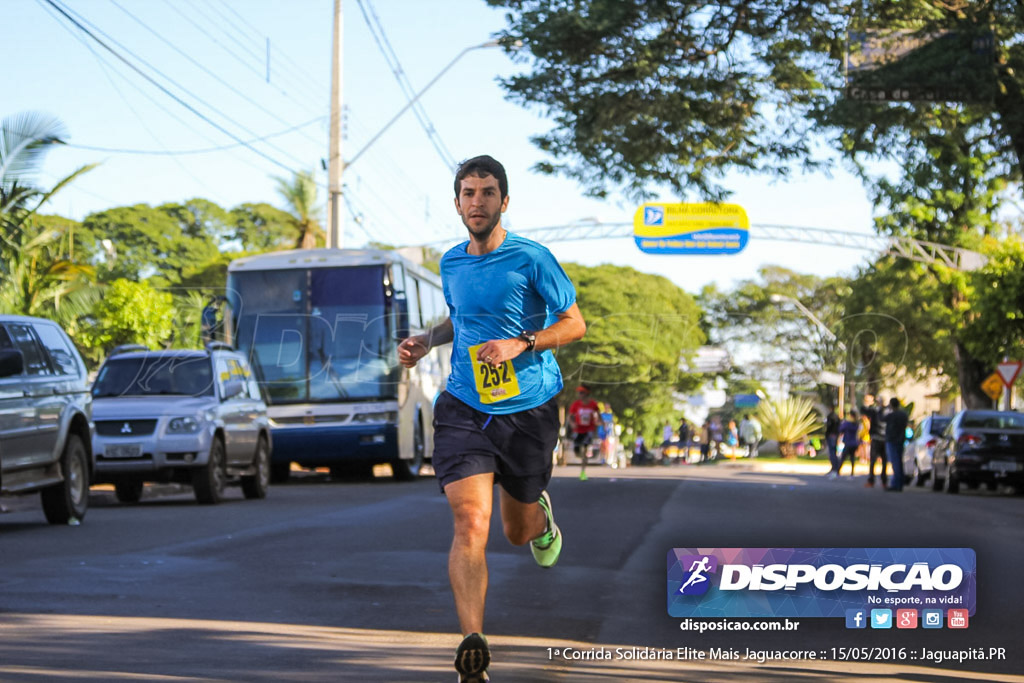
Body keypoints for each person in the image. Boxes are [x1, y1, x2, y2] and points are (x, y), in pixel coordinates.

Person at [398, 155, 587, 683]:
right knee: (469, 522)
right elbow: (460, 321)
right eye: (467, 192)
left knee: (514, 531)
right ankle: (472, 647)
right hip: (464, 404)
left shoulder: (532, 258)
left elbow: (574, 324)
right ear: (457, 202)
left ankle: (539, 515)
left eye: (486, 193)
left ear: (504, 201)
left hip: (528, 408)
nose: (476, 202)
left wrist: (522, 343)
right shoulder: (452, 262)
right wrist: (425, 339)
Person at [569, 386, 601, 481]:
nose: (580, 394)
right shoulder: (576, 404)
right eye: (579, 392)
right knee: (577, 451)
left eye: (582, 392)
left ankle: (583, 471)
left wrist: (600, 423)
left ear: (586, 393)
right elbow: (569, 416)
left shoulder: (593, 404)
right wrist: (572, 424)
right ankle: (581, 455)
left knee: (585, 450)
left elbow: (599, 416)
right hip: (578, 430)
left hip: (588, 430)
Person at [862, 393, 889, 488]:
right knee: (880, 460)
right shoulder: (887, 411)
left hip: (878, 438)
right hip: (882, 438)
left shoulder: (876, 411)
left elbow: (864, 410)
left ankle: (876, 480)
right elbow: (864, 411)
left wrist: (867, 403)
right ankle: (881, 481)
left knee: (876, 460)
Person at [885, 398, 910, 492]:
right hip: (900, 439)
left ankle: (896, 483)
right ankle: (899, 483)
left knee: (895, 463)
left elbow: (882, 419)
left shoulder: (892, 415)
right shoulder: (903, 415)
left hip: (892, 440)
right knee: (899, 462)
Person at [838, 409, 861, 476]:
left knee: (843, 458)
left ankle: (838, 471)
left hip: (848, 442)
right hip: (854, 442)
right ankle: (852, 472)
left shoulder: (847, 423)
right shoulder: (856, 424)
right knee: (852, 458)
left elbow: (841, 429)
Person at [824, 406, 841, 478]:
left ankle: (835, 468)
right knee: (833, 452)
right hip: (835, 435)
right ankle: (835, 468)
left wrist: (828, 434)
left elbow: (829, 426)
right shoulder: (837, 417)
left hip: (831, 435)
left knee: (832, 453)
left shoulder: (831, 417)